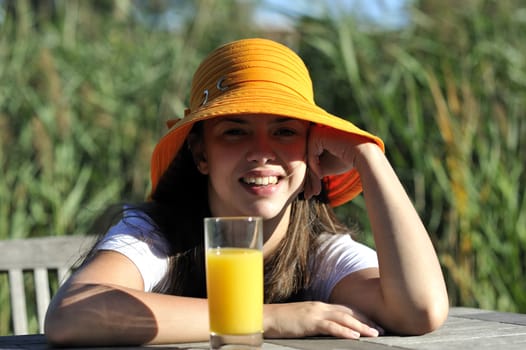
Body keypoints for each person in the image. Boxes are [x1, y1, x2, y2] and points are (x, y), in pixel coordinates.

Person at [44, 38, 449, 346]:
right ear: (201, 153)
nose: (261, 152)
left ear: (312, 150)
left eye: (285, 131)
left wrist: (367, 157)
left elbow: (419, 310)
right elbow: (72, 314)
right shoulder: (155, 237)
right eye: (235, 132)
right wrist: (269, 318)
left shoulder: (318, 252)